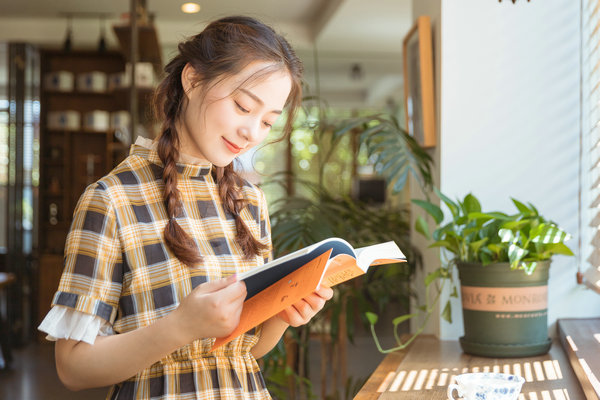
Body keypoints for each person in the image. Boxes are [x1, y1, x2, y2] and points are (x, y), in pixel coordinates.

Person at [38, 15, 333, 399]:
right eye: (243, 106)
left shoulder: (249, 202)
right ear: (192, 80)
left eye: (267, 122)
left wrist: (280, 317)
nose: (251, 133)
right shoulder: (111, 199)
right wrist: (178, 327)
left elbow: (244, 352)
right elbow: (72, 367)